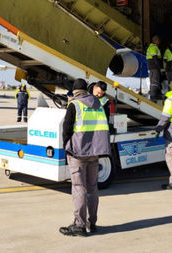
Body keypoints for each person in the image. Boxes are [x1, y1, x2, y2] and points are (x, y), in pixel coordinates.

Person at [59, 78, 111, 237]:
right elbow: (104, 126)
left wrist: (67, 147)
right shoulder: (98, 104)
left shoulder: (74, 104)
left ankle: (80, 226)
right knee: (92, 188)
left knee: (79, 188)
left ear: (75, 92)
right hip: (94, 153)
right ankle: (91, 223)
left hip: (78, 153)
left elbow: (66, 129)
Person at [146, 35, 162, 100]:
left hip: (150, 67)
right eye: (158, 40)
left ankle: (152, 95)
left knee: (152, 81)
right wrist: (159, 67)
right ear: (156, 41)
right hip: (154, 67)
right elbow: (155, 59)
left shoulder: (149, 48)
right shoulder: (154, 47)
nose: (159, 42)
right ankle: (154, 96)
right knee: (155, 81)